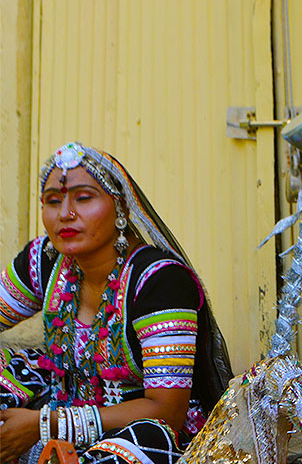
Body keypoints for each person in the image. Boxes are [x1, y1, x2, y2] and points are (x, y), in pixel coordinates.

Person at [0, 143, 232, 463]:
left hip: (134, 434)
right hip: (57, 405)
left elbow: (166, 411)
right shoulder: (47, 259)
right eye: (53, 201)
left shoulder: (160, 282)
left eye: (83, 198)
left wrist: (47, 426)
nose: (65, 214)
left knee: (146, 440)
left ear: (121, 207)